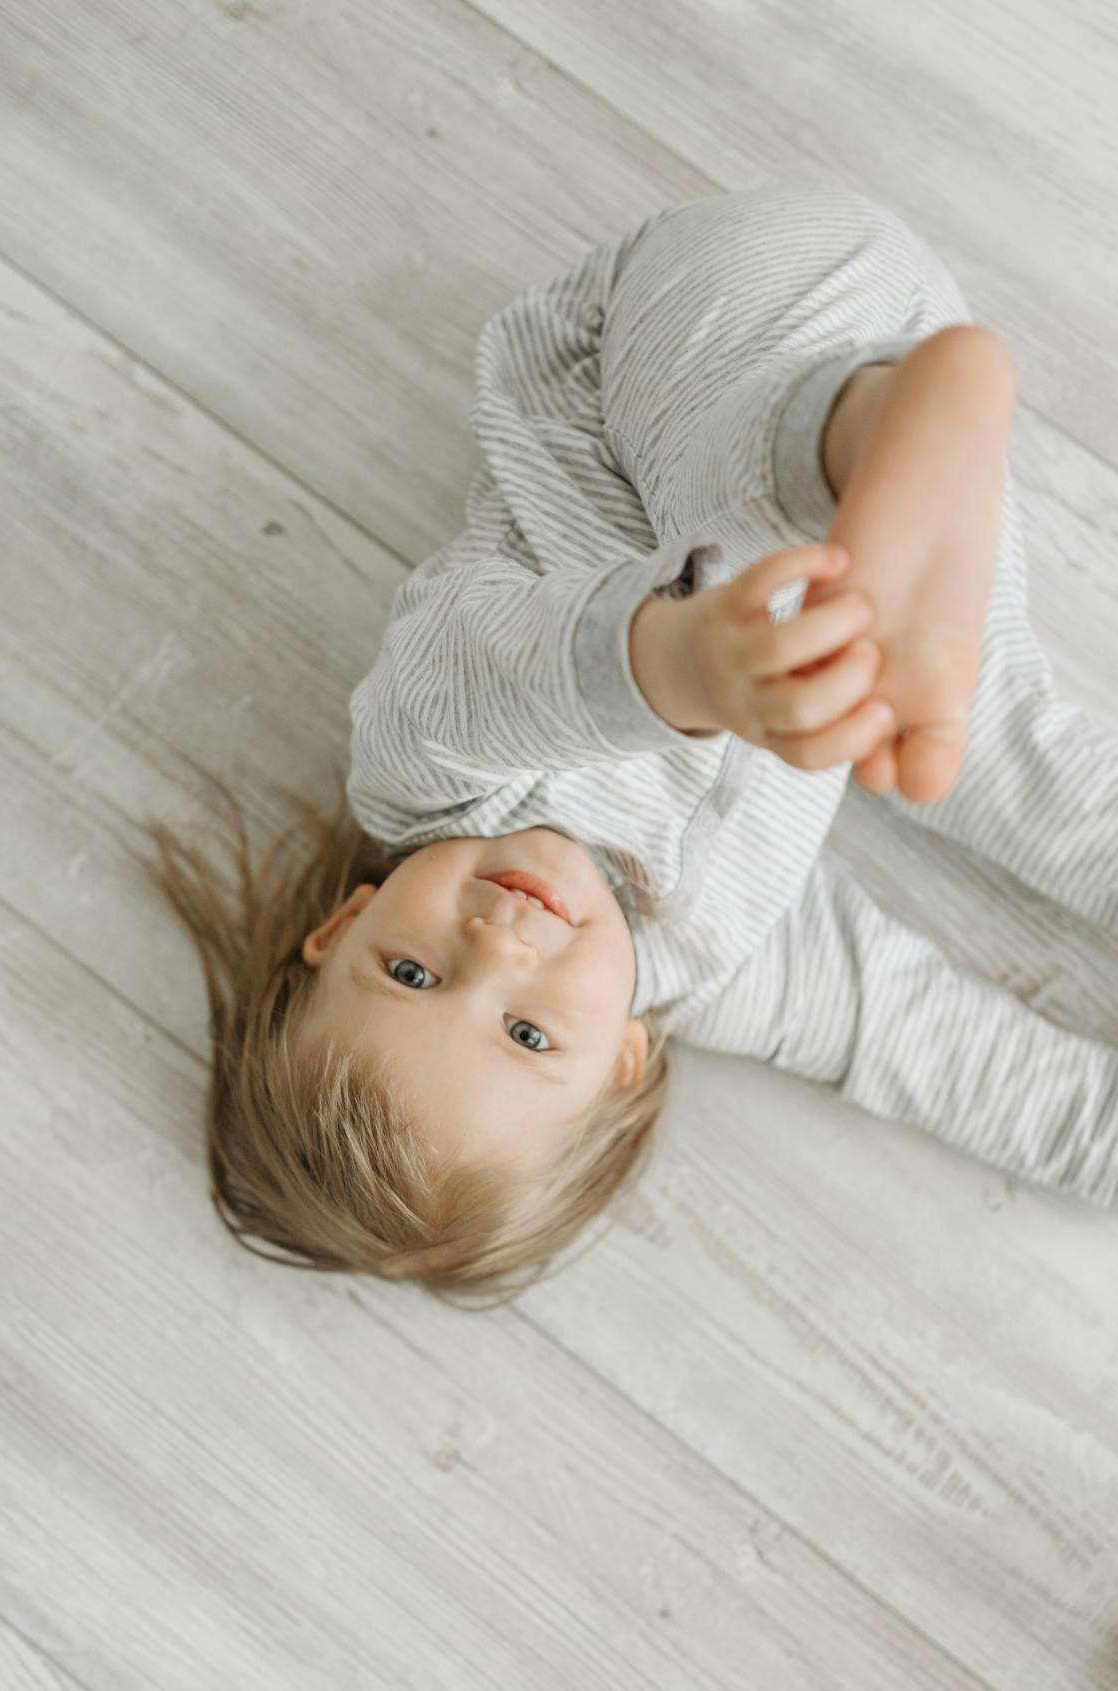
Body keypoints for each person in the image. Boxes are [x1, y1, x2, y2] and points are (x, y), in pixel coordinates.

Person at [147, 182, 1118, 1307]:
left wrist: (676, 664)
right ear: (620, 1057)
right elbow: (909, 1037)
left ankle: (876, 430)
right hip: (881, 451)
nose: (499, 940)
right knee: (964, 747)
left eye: (411, 970)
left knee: (736, 528)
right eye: (523, 1030)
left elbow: (498, 663)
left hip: (708, 323)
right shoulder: (703, 959)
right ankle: (905, 476)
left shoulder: (425, 772)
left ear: (344, 921)